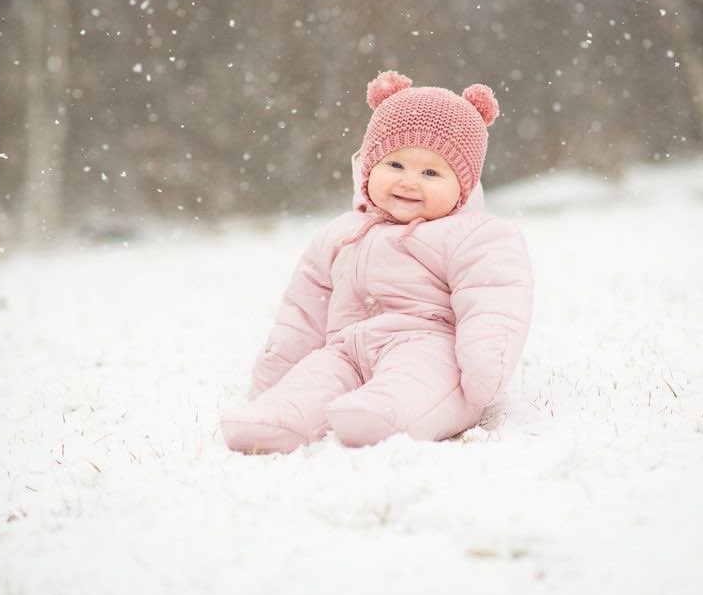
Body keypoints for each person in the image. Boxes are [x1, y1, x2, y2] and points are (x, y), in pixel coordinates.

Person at [219, 70, 534, 454]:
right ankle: (277, 419)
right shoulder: (340, 233)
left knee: (413, 381)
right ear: (368, 167)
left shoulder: (475, 235)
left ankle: (382, 413)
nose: (408, 182)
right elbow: (303, 311)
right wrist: (274, 380)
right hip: (345, 350)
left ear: (463, 185)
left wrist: (485, 371)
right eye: (395, 165)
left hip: (429, 347)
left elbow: (493, 302)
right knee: (317, 380)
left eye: (431, 172)